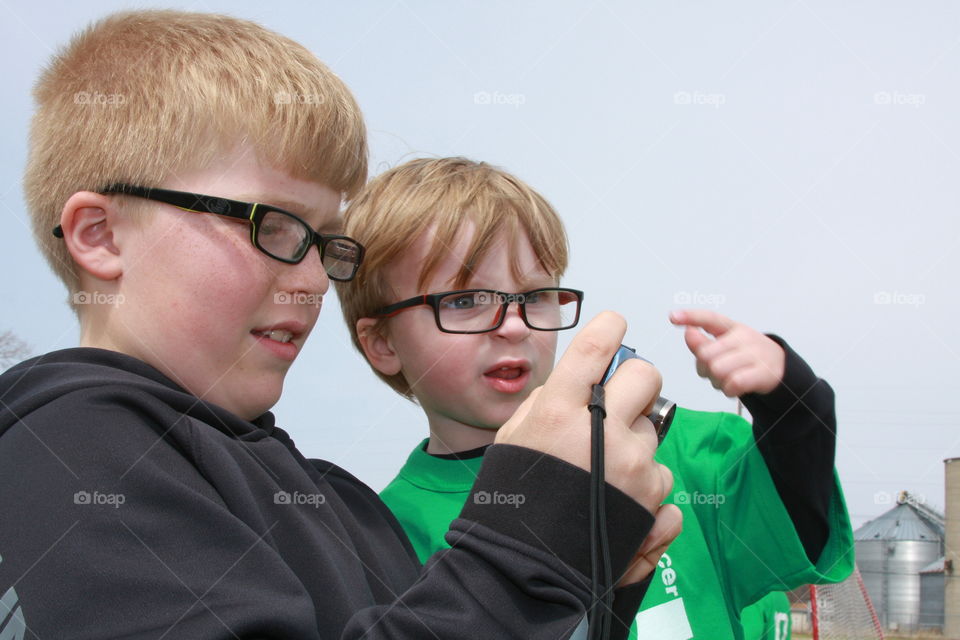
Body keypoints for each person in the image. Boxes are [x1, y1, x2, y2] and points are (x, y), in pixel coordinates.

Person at [0, 11, 681, 639]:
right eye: (275, 226)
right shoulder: (70, 441)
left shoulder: (344, 501)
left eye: (327, 243)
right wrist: (525, 547)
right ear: (101, 235)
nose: (313, 278)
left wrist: (588, 586)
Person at [336, 157, 855, 640]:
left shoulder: (679, 451)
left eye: (536, 295)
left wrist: (793, 400)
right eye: (467, 300)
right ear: (382, 343)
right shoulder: (381, 533)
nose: (515, 325)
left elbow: (799, 522)